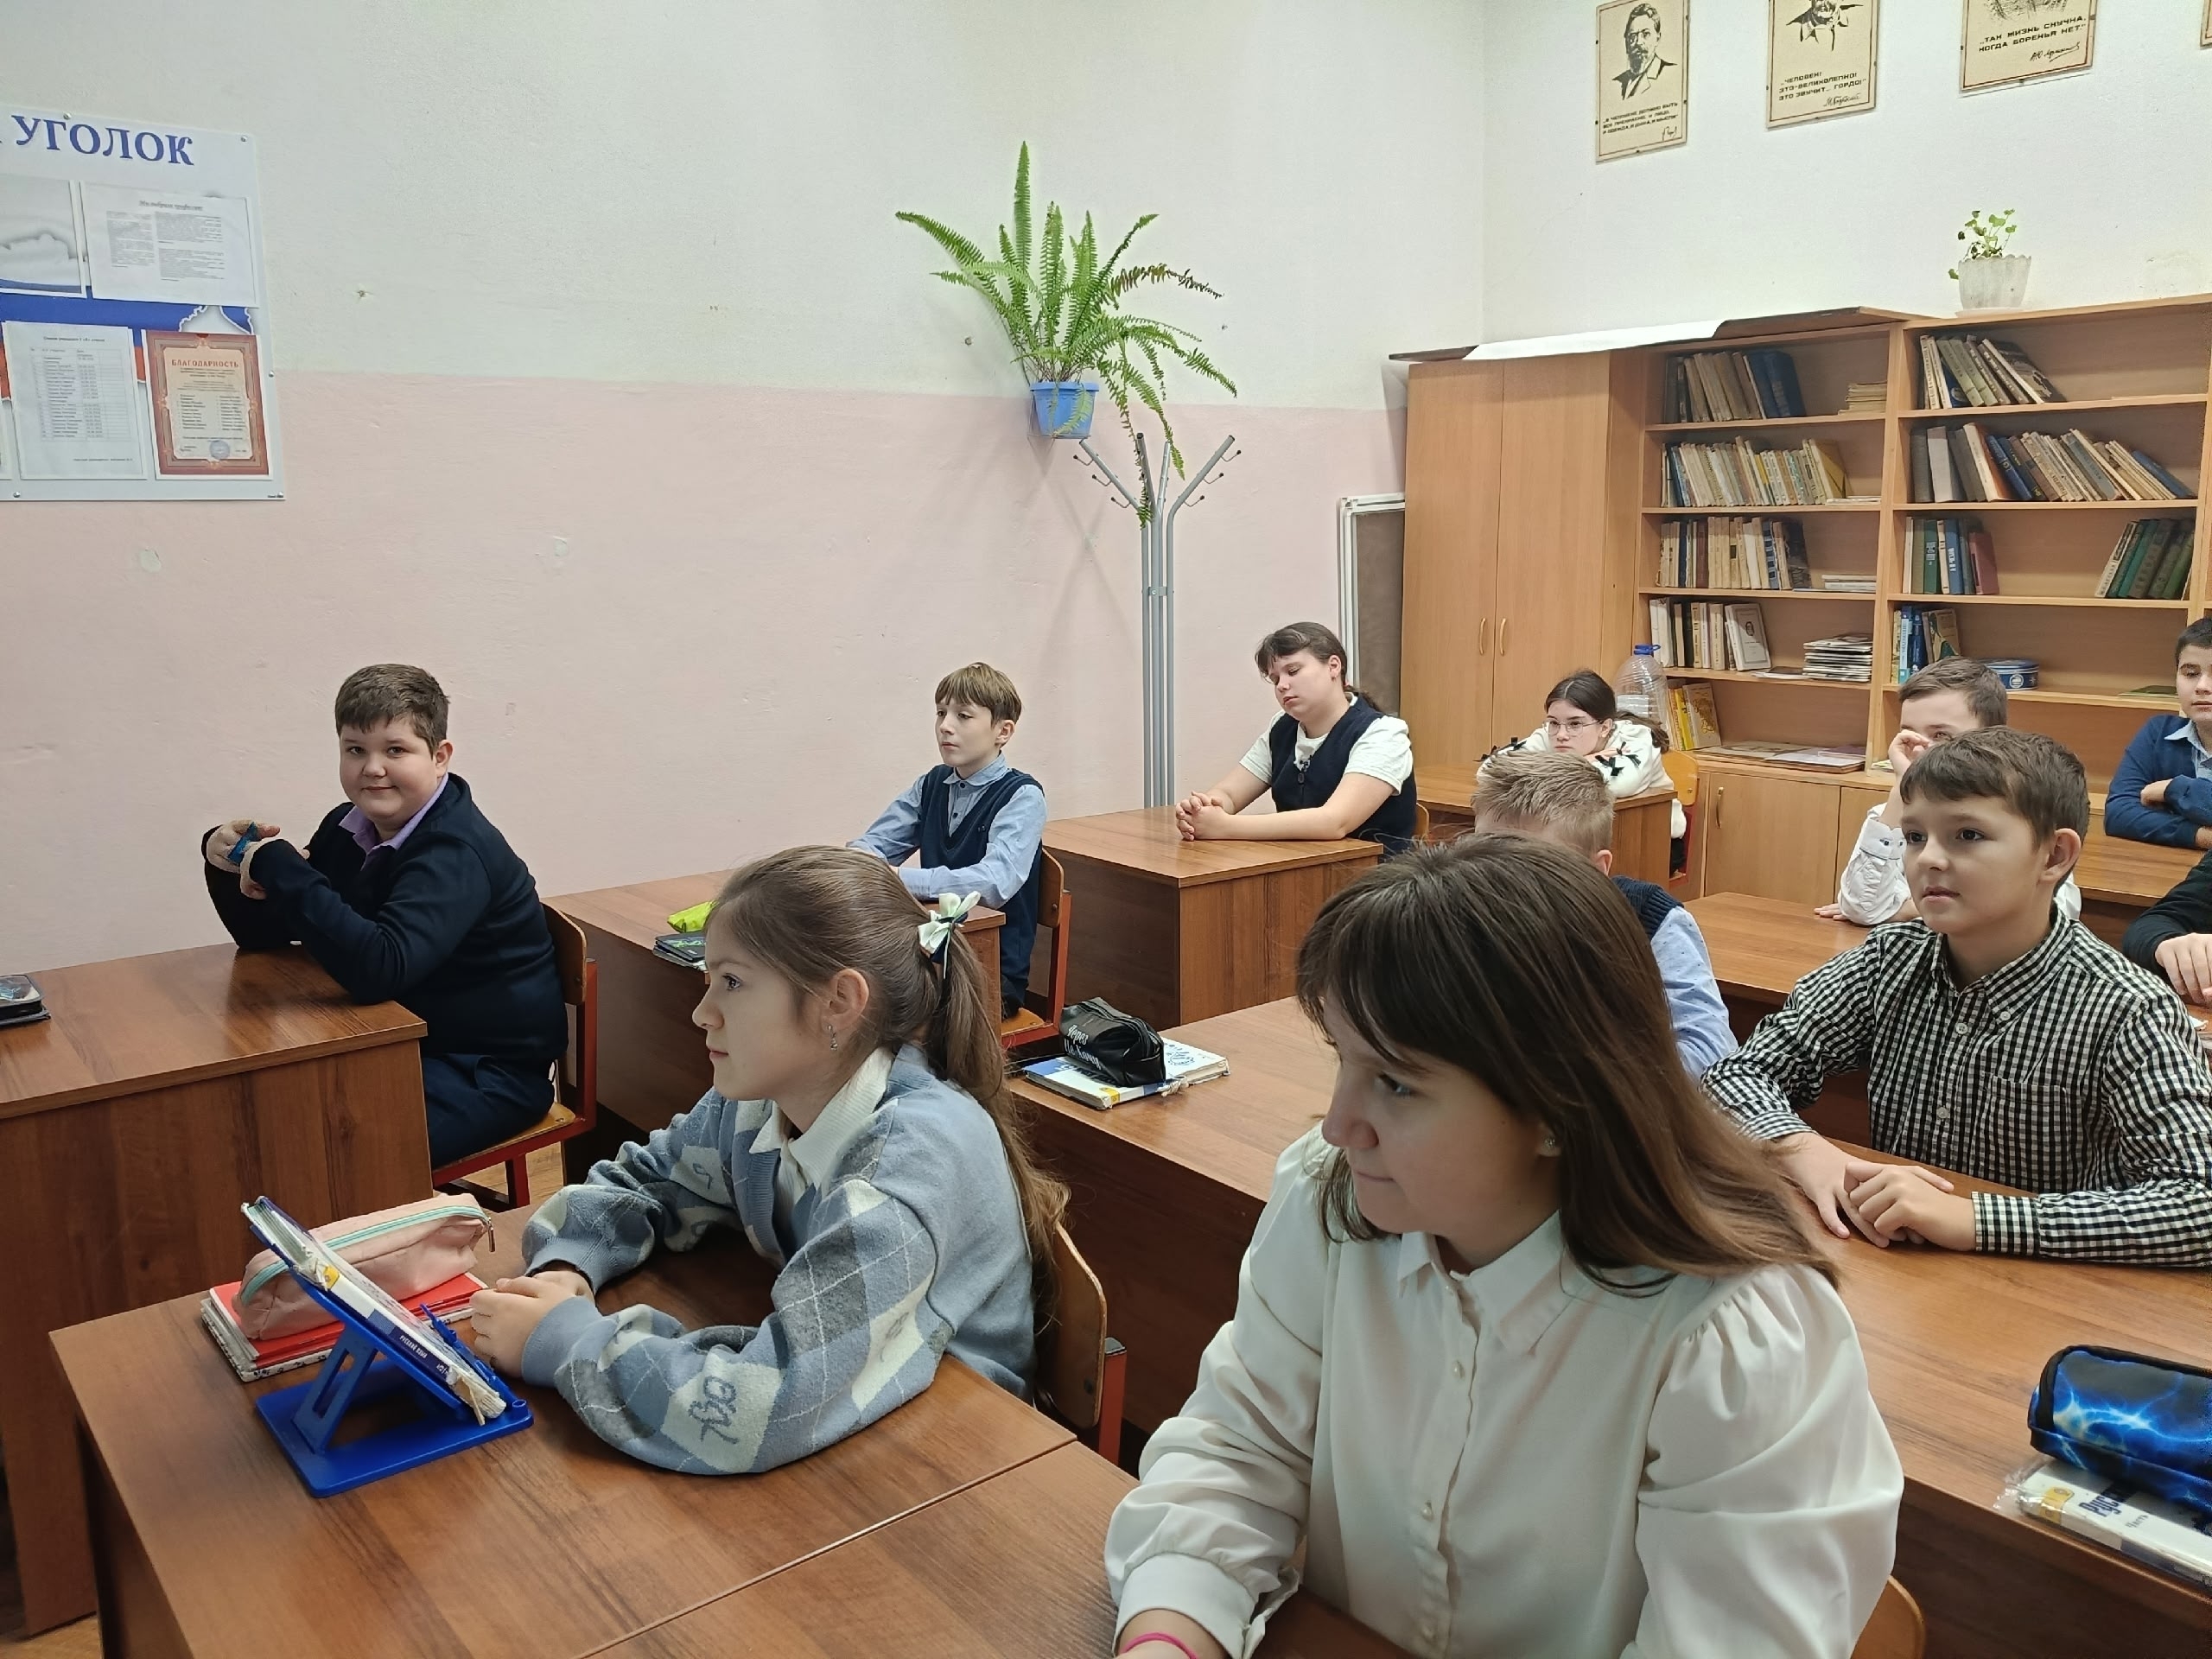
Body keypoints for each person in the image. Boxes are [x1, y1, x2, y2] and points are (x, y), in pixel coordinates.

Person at [1103, 841, 1900, 1659]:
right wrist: (1171, 1632)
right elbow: (1241, 1447)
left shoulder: (1731, 1334)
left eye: (1398, 1084)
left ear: (1557, 1107)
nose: (1339, 1126)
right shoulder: (1330, 1197)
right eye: (1344, 1060)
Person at [468, 847, 1065, 1473]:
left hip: (954, 1460)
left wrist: (567, 1341)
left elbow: (761, 1407)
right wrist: (568, 1268)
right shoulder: (765, 1101)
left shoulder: (907, 1165)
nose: (702, 1012)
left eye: (732, 982)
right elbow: (645, 1179)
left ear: (838, 1001)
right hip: (852, 1415)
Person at [1705, 729, 2212, 1266]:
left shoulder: (2129, 1008)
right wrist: (1803, 1150)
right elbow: (1734, 1075)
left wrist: (1976, 1219)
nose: (1928, 859)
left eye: (1967, 835)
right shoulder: (1889, 960)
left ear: (2054, 855)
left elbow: (2199, 1200)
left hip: (2035, 1282)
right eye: (1914, 836)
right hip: (1898, 1266)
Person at [201, 664, 564, 1166]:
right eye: (355, 750)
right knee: (255, 1116)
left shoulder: (455, 851)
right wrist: (228, 859)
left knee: (327, 1152)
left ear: (439, 757)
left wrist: (283, 867)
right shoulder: (347, 826)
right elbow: (266, 934)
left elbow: (379, 968)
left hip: (485, 1071)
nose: (373, 768)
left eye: (395, 750)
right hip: (395, 1037)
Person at [1471, 748, 1736, 1075]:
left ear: (1597, 870)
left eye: (1537, 865)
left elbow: (1711, 1053)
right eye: (1483, 854)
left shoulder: (1646, 919)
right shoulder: (1450, 911)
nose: (1500, 878)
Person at [1821, 658, 2082, 925]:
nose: (1919, 750)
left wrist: (1904, 910)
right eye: (1908, 736)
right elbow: (1861, 908)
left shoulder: (2018, 813)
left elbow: (2049, 911)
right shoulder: (1892, 812)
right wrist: (1901, 788)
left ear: (1990, 736)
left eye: (1941, 736)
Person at [850, 661, 1045, 1018]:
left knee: (876, 1010)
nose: (945, 726)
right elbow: (868, 848)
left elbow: (993, 884)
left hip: (989, 973)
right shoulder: (932, 784)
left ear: (1003, 731)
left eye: (963, 716)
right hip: (932, 959)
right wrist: (864, 864)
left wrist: (897, 878)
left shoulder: (1022, 797)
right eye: (941, 713)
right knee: (848, 991)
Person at [1175, 621, 1417, 853]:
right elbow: (1229, 794)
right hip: (1297, 869)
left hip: (1374, 877)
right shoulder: (1282, 728)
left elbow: (1334, 822)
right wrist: (1202, 810)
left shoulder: (1383, 733)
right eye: (1275, 679)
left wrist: (1225, 827)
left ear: (1333, 666)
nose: (1282, 685)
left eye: (1293, 671)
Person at [1484, 667, 1684, 839]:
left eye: (1575, 724)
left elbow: (1616, 784)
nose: (1561, 735)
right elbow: (1488, 771)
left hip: (1652, 839)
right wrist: (1583, 761)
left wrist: (1559, 765)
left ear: (1605, 727)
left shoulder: (1635, 739)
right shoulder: (1550, 734)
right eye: (1554, 722)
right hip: (1581, 836)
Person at [2106, 616, 2212, 850]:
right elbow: (2118, 814)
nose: (2202, 686)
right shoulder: (2158, 733)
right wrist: (2200, 836)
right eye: (2191, 673)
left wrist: (2175, 789)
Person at [1615, 2, 1675, 99]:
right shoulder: (1616, 83)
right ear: (1627, 43)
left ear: (1657, 38)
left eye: (1646, 34)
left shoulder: (1672, 73)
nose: (1638, 42)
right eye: (1633, 36)